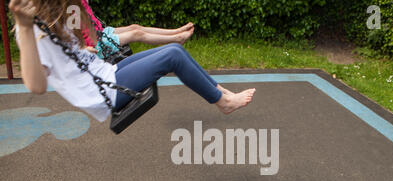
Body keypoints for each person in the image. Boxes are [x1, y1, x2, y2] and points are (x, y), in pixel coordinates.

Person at [10, 0, 256, 124]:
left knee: (172, 48)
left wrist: (83, 48)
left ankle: (218, 91)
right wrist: (22, 24)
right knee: (174, 55)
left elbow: (87, 41)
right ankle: (223, 101)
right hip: (103, 91)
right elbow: (36, 86)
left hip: (107, 71)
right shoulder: (30, 30)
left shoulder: (56, 18)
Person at [81, 0, 195, 58]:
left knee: (135, 27)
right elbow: (68, 36)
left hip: (101, 32)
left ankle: (175, 32)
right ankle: (176, 38)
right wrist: (83, 48)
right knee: (136, 33)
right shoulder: (70, 7)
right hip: (96, 44)